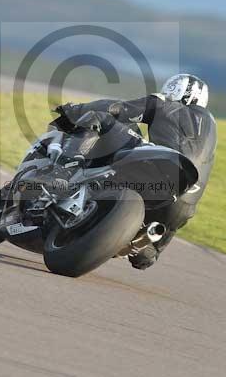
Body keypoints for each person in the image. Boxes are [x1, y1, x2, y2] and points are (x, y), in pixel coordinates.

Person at [55, 73, 217, 270]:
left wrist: (74, 110)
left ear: (176, 90)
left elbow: (117, 109)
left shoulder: (162, 103)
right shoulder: (211, 128)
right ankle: (145, 245)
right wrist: (155, 248)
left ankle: (64, 169)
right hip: (182, 208)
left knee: (101, 118)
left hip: (157, 172)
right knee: (144, 257)